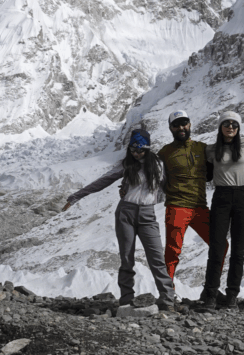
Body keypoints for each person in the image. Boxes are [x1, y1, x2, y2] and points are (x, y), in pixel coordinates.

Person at [62, 128, 177, 310]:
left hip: (148, 214)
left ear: (147, 148)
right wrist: (76, 196)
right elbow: (103, 180)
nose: (136, 154)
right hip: (126, 213)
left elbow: (167, 187)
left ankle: (168, 298)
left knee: (156, 257)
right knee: (126, 257)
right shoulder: (126, 165)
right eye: (133, 150)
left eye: (140, 150)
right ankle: (126, 299)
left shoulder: (159, 165)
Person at [157, 109, 226, 283]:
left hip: (200, 208)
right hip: (176, 207)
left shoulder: (202, 148)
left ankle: (211, 288)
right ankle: (167, 292)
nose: (181, 127)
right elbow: (151, 175)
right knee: (173, 251)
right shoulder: (164, 153)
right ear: (170, 128)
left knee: (221, 245)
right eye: (176, 125)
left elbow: (224, 160)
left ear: (189, 125)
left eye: (184, 123)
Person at [200, 111, 244, 310]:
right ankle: (211, 294)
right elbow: (203, 173)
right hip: (221, 197)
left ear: (238, 129)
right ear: (220, 127)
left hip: (243, 197)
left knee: (238, 249)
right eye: (227, 124)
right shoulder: (211, 150)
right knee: (217, 248)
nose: (231, 127)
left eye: (234, 125)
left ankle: (232, 295)